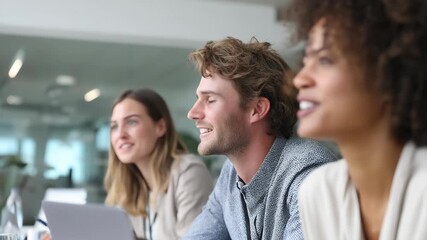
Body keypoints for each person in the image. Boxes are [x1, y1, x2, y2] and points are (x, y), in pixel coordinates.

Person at [286, 0, 427, 239]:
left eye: (325, 60)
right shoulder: (318, 193)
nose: (300, 79)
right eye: (306, 59)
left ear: (388, 72)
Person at [183, 37, 338, 240]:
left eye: (210, 100)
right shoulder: (230, 175)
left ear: (257, 109)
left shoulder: (309, 170)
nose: (192, 113)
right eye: (198, 99)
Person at [104, 88, 213, 239]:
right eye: (114, 126)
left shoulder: (188, 172)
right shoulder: (125, 189)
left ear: (160, 127)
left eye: (131, 122)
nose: (121, 134)